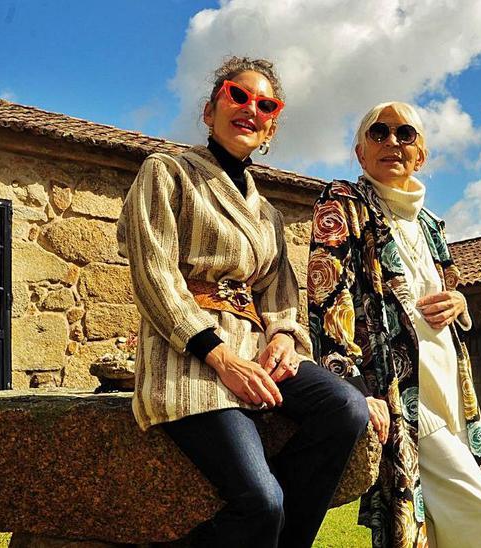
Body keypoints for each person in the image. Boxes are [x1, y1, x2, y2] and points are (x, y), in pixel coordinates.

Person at [116, 56, 369, 548]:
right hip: (189, 356)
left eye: (265, 104)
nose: (250, 108)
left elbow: (279, 291)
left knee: (345, 407)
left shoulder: (268, 213)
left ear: (272, 125)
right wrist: (221, 357)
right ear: (210, 111)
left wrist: (280, 337)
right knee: (262, 503)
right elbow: (154, 272)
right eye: (238, 95)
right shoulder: (167, 172)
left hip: (255, 350)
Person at [307, 102, 481, 547]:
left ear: (422, 155)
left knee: (431, 529)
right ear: (360, 152)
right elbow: (326, 297)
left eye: (405, 134)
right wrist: (354, 386)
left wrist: (459, 301)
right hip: (400, 392)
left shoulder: (432, 225)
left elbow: (451, 291)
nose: (392, 142)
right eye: (378, 133)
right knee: (478, 514)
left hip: (451, 389)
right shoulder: (344, 205)